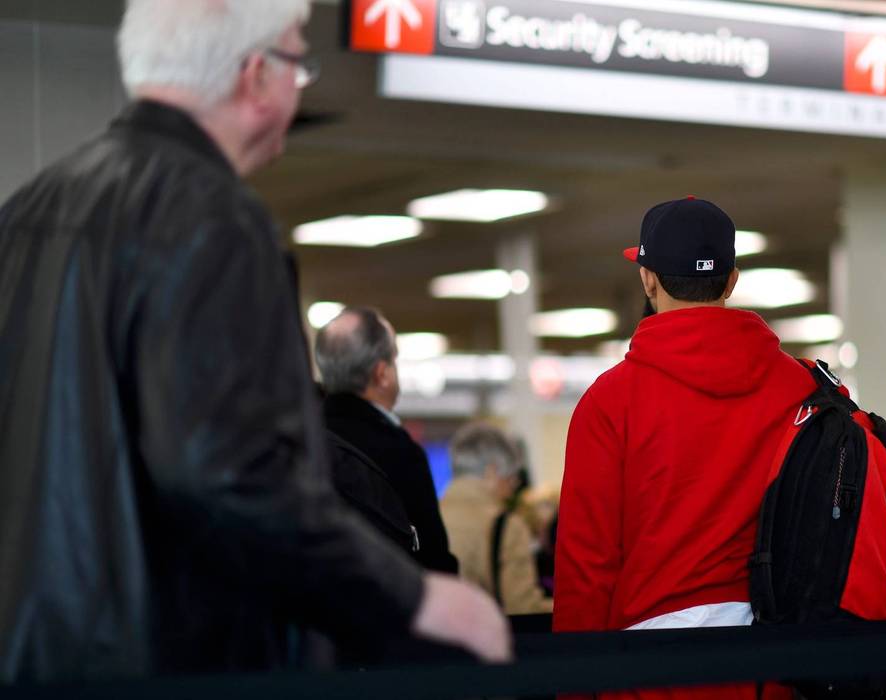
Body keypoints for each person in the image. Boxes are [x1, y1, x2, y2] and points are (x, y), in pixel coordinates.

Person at [0, 0, 507, 682]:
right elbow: (229, 470)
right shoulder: (212, 217)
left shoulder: (24, 213)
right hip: (172, 656)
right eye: (299, 62)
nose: (301, 86)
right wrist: (413, 597)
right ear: (255, 75)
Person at [554, 196, 814, 699]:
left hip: (648, 675)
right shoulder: (801, 388)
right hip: (775, 666)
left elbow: (586, 568)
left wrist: (573, 685)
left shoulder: (609, 402)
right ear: (732, 279)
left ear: (647, 279)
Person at [315, 307, 459, 574]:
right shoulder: (400, 453)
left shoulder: (306, 441)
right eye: (394, 360)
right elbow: (434, 559)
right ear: (382, 373)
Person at [440, 423, 554, 615]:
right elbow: (522, 607)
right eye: (511, 477)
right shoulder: (505, 525)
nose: (514, 487)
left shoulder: (426, 517)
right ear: (491, 472)